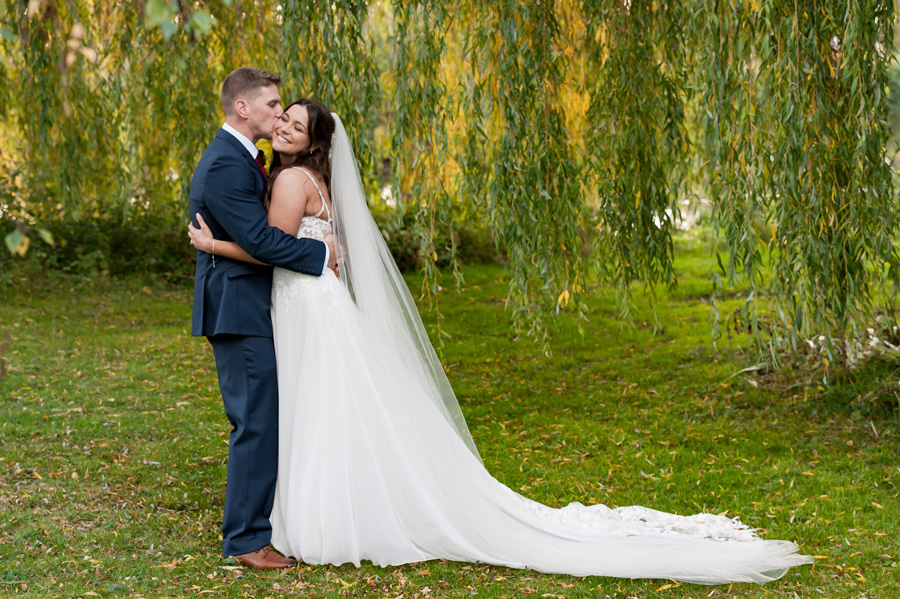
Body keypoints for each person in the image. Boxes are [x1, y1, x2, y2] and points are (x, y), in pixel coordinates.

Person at [188, 99, 814, 584]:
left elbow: (275, 249)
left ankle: (313, 515)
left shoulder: (292, 182)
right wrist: (324, 250)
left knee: (308, 405)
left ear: (316, 140)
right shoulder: (312, 180)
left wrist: (215, 245)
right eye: (284, 119)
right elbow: (320, 250)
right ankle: (320, 506)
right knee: (321, 404)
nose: (286, 127)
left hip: (303, 304)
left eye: (296, 123)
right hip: (318, 305)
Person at [188, 69, 336, 571]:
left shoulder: (245, 157)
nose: (279, 113)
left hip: (250, 303)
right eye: (273, 105)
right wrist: (323, 253)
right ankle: (247, 542)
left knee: (260, 418)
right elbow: (263, 241)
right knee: (255, 422)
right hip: (238, 307)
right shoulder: (228, 165)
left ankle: (255, 528)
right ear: (244, 108)